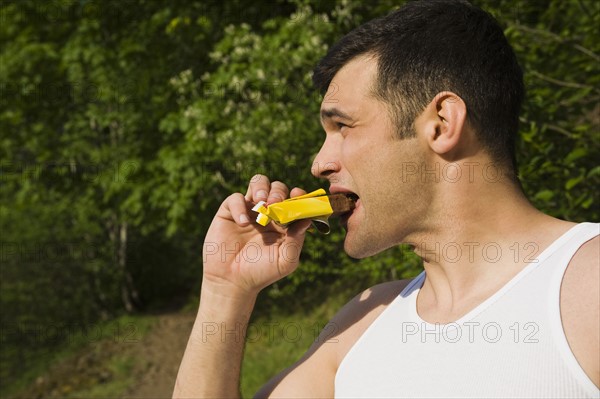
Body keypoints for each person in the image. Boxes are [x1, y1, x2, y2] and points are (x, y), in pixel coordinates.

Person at [173, 0, 599, 397]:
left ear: (441, 124)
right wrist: (225, 291)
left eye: (342, 126)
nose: (319, 163)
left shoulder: (587, 286)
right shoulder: (362, 324)